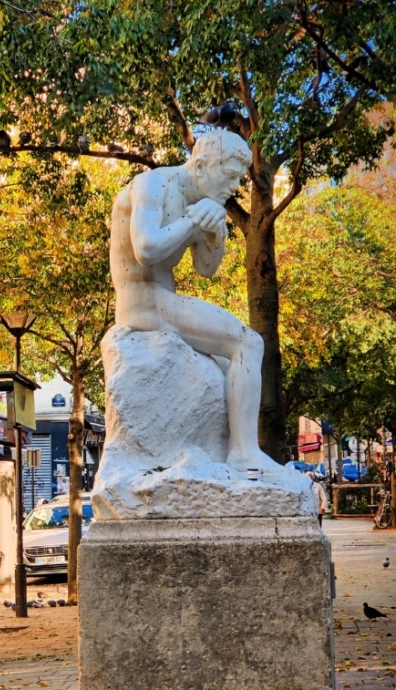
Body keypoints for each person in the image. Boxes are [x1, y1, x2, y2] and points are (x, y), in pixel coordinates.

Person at [110, 128, 283, 475]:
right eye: (229, 175)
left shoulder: (198, 201)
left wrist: (216, 233)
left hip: (162, 301)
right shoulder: (153, 185)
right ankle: (244, 453)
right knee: (249, 343)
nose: (234, 187)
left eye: (239, 179)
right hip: (141, 303)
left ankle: (228, 451)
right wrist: (192, 221)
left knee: (227, 361)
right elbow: (145, 249)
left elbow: (205, 268)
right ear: (202, 165)